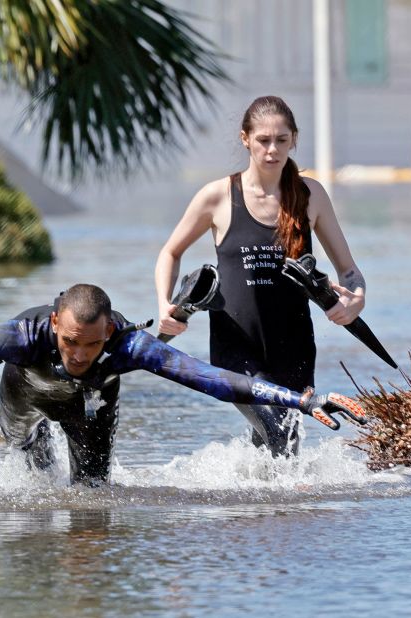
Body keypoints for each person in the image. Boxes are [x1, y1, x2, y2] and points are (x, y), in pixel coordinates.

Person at [0, 283, 365, 486]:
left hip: (91, 409)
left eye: (91, 345)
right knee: (32, 469)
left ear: (108, 332)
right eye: (71, 342)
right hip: (25, 398)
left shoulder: (128, 346)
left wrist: (302, 399)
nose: (79, 353)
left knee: (91, 499)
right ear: (54, 325)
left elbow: (214, 381)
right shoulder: (19, 336)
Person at [155, 95, 366, 456]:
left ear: (294, 139)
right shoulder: (218, 195)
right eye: (263, 140)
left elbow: (349, 271)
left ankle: (260, 509)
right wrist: (164, 304)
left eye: (281, 140)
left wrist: (356, 301)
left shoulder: (311, 195)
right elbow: (170, 253)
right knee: (276, 430)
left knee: (286, 447)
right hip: (237, 347)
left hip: (294, 345)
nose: (272, 150)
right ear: (245, 139)